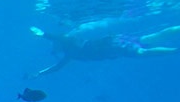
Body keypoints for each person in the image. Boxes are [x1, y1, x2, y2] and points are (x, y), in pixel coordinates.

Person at [28, 24, 180, 78]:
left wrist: (42, 34)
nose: (54, 49)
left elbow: (56, 39)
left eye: (54, 46)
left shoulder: (70, 45)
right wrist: (40, 73)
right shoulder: (71, 50)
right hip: (114, 41)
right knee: (149, 38)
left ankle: (176, 50)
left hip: (112, 47)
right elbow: (57, 67)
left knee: (142, 52)